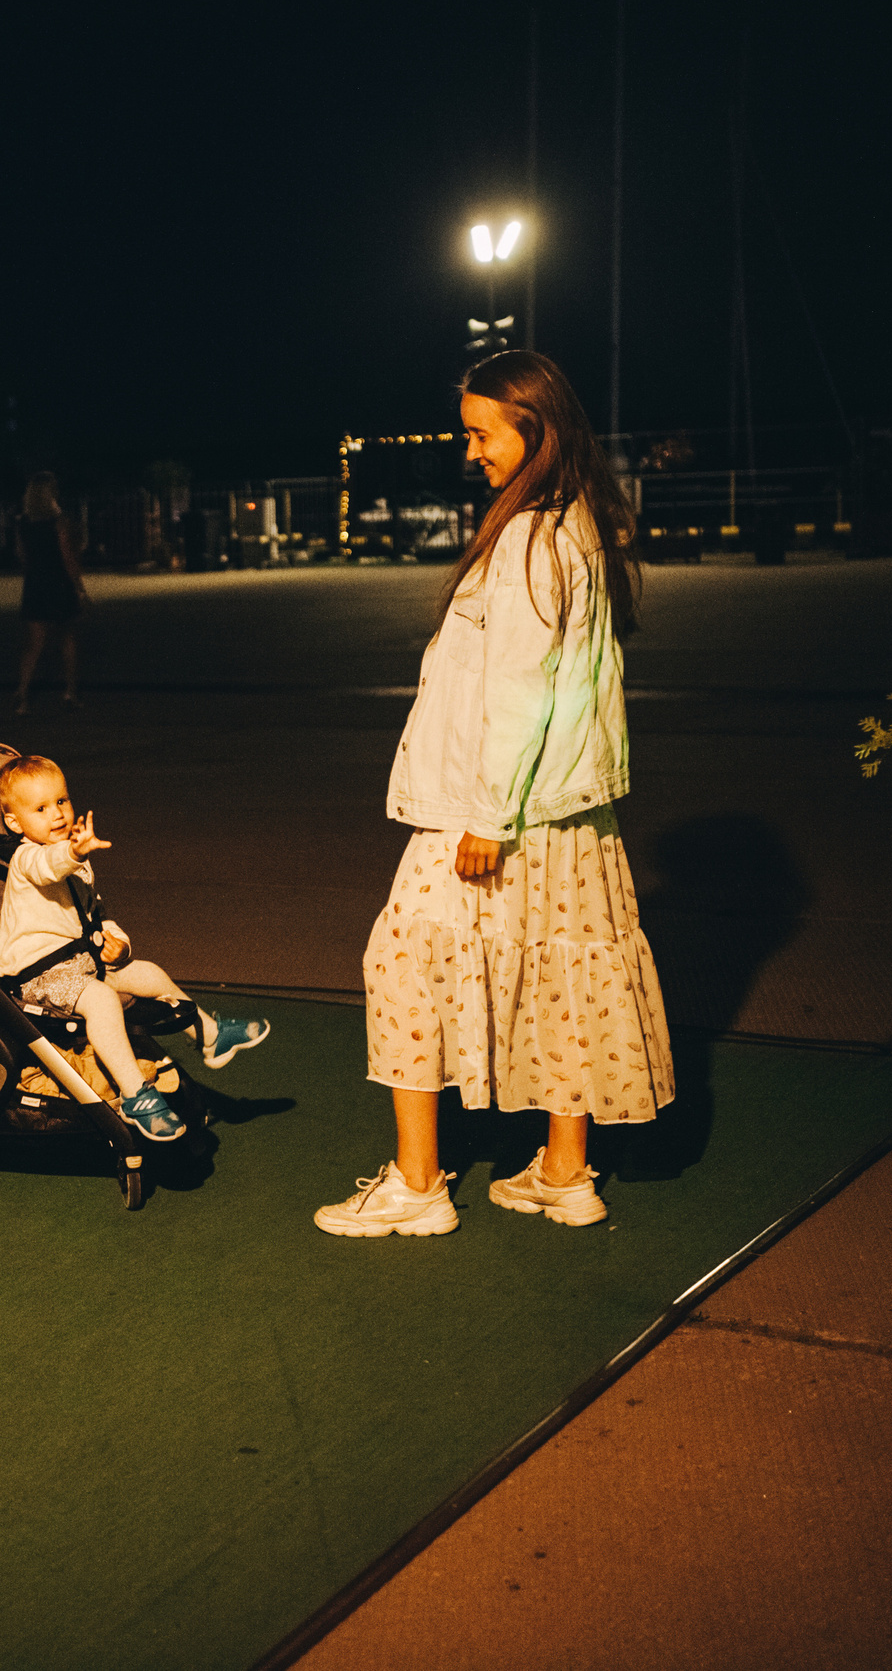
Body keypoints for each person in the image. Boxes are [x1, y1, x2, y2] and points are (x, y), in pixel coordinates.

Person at [316, 350, 673, 1239]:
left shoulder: (527, 536)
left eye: (483, 432)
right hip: (569, 813)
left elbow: (519, 689)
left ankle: (417, 1182)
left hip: (500, 806)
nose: (470, 449)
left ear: (534, 428)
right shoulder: (579, 522)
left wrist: (486, 816)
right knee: (564, 973)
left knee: (400, 965)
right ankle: (562, 1170)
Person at [0, 753, 270, 1142]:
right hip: (39, 978)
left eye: (61, 801)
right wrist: (73, 853)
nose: (56, 813)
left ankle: (208, 1035)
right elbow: (47, 866)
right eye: (41, 808)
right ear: (14, 822)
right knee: (103, 1000)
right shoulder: (27, 859)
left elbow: (97, 913)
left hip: (81, 965)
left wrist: (118, 945)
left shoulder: (76, 862)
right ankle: (135, 1094)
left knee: (148, 972)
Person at [12, 471, 83, 714]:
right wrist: (79, 587)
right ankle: (70, 692)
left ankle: (22, 694)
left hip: (35, 584)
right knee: (67, 638)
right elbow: (67, 558)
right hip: (58, 583)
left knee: (34, 643)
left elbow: (21, 555)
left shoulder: (23, 523)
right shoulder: (59, 522)